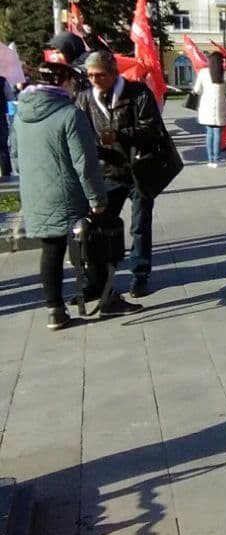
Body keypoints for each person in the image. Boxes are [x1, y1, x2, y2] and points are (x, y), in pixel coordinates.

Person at [9, 62, 110, 328]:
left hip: (34, 191)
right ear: (62, 83)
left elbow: (15, 155)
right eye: (72, 81)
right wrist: (97, 199)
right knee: (94, 240)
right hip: (67, 193)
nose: (75, 86)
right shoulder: (69, 114)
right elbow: (85, 163)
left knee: (51, 249)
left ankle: (55, 308)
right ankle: (104, 294)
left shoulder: (21, 114)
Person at [75, 51, 165, 300]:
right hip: (106, 172)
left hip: (139, 170)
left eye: (100, 75)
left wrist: (120, 135)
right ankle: (100, 278)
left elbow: (153, 129)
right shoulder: (84, 98)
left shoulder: (138, 93)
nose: (94, 79)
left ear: (114, 73)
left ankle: (140, 276)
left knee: (140, 226)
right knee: (100, 227)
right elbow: (79, 132)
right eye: (90, 75)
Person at [191, 52, 226, 167]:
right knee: (217, 133)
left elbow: (196, 90)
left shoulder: (203, 73)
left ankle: (210, 159)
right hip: (220, 106)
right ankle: (217, 159)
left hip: (206, 106)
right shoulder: (225, 75)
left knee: (209, 132)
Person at [0, 72, 13, 178]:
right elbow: (11, 97)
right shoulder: (3, 81)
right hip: (1, 118)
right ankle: (6, 175)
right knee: (3, 148)